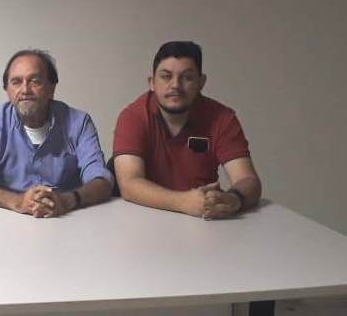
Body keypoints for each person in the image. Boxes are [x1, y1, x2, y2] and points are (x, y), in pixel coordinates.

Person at [112, 41, 262, 219]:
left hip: (202, 220)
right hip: (144, 217)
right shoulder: (133, 117)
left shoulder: (222, 118)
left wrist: (233, 199)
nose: (175, 85)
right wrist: (183, 202)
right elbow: (129, 184)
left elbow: (248, 180)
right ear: (152, 83)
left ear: (201, 82)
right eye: (166, 76)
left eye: (187, 77)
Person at [0, 49, 113, 217]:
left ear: (51, 88)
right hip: (8, 220)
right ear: (7, 90)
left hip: (67, 220)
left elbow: (102, 181)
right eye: (16, 82)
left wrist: (66, 200)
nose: (25, 89)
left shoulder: (79, 122)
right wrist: (18, 202)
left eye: (35, 81)